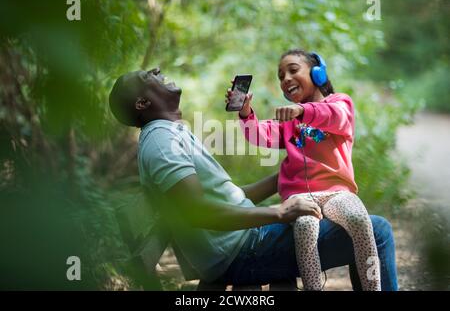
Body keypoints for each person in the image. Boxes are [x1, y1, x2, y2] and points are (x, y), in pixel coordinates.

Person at [109, 67, 398, 290]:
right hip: (242, 253)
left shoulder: (172, 133)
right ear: (143, 102)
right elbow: (196, 210)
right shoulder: (161, 141)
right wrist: (280, 212)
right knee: (379, 231)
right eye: (150, 75)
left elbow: (234, 196)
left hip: (243, 243)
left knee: (357, 223)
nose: (158, 71)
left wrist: (293, 171)